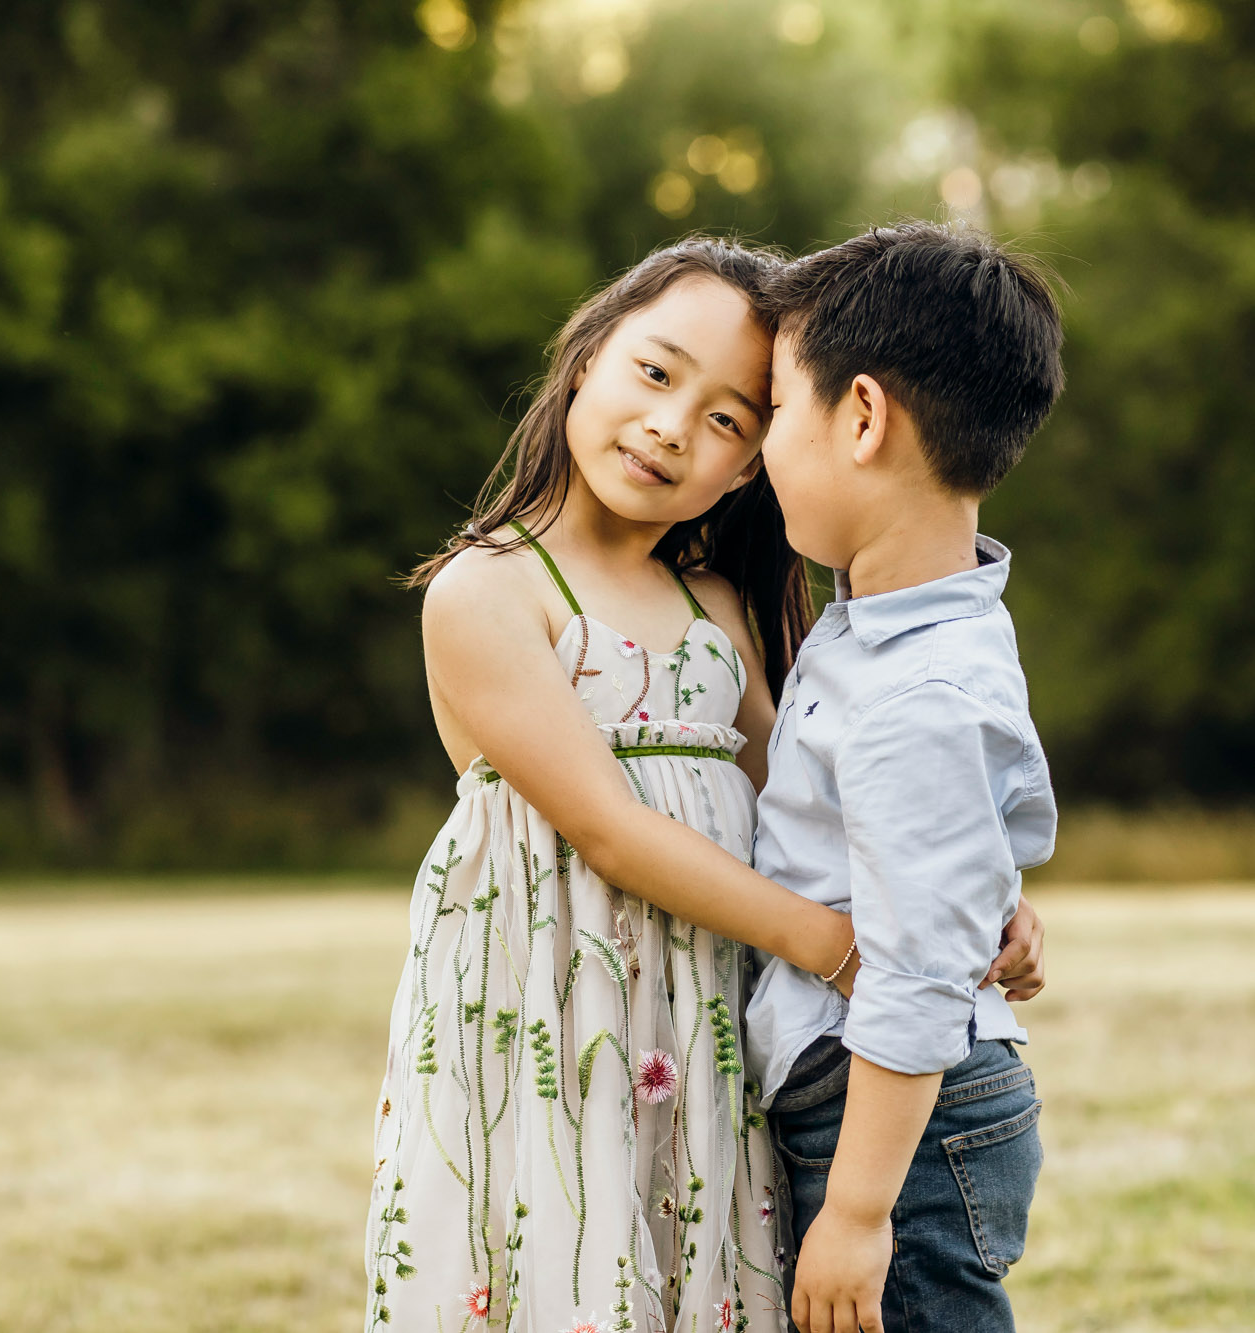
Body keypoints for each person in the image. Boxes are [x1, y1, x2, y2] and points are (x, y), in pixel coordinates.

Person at [363, 236, 1045, 1333]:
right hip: (559, 1002)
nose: (675, 425)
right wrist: (836, 943)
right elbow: (613, 834)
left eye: (733, 416)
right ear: (586, 354)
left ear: (753, 461)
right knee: (570, 1249)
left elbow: (820, 809)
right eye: (654, 371)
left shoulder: (717, 610)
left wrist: (973, 894)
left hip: (704, 1016)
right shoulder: (488, 592)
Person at [745, 222, 1065, 1333]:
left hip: (894, 1131)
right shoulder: (891, 629)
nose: (758, 446)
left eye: (778, 409)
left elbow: (920, 969)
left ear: (864, 416)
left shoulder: (913, 688)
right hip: (887, 1108)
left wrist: (858, 1209)